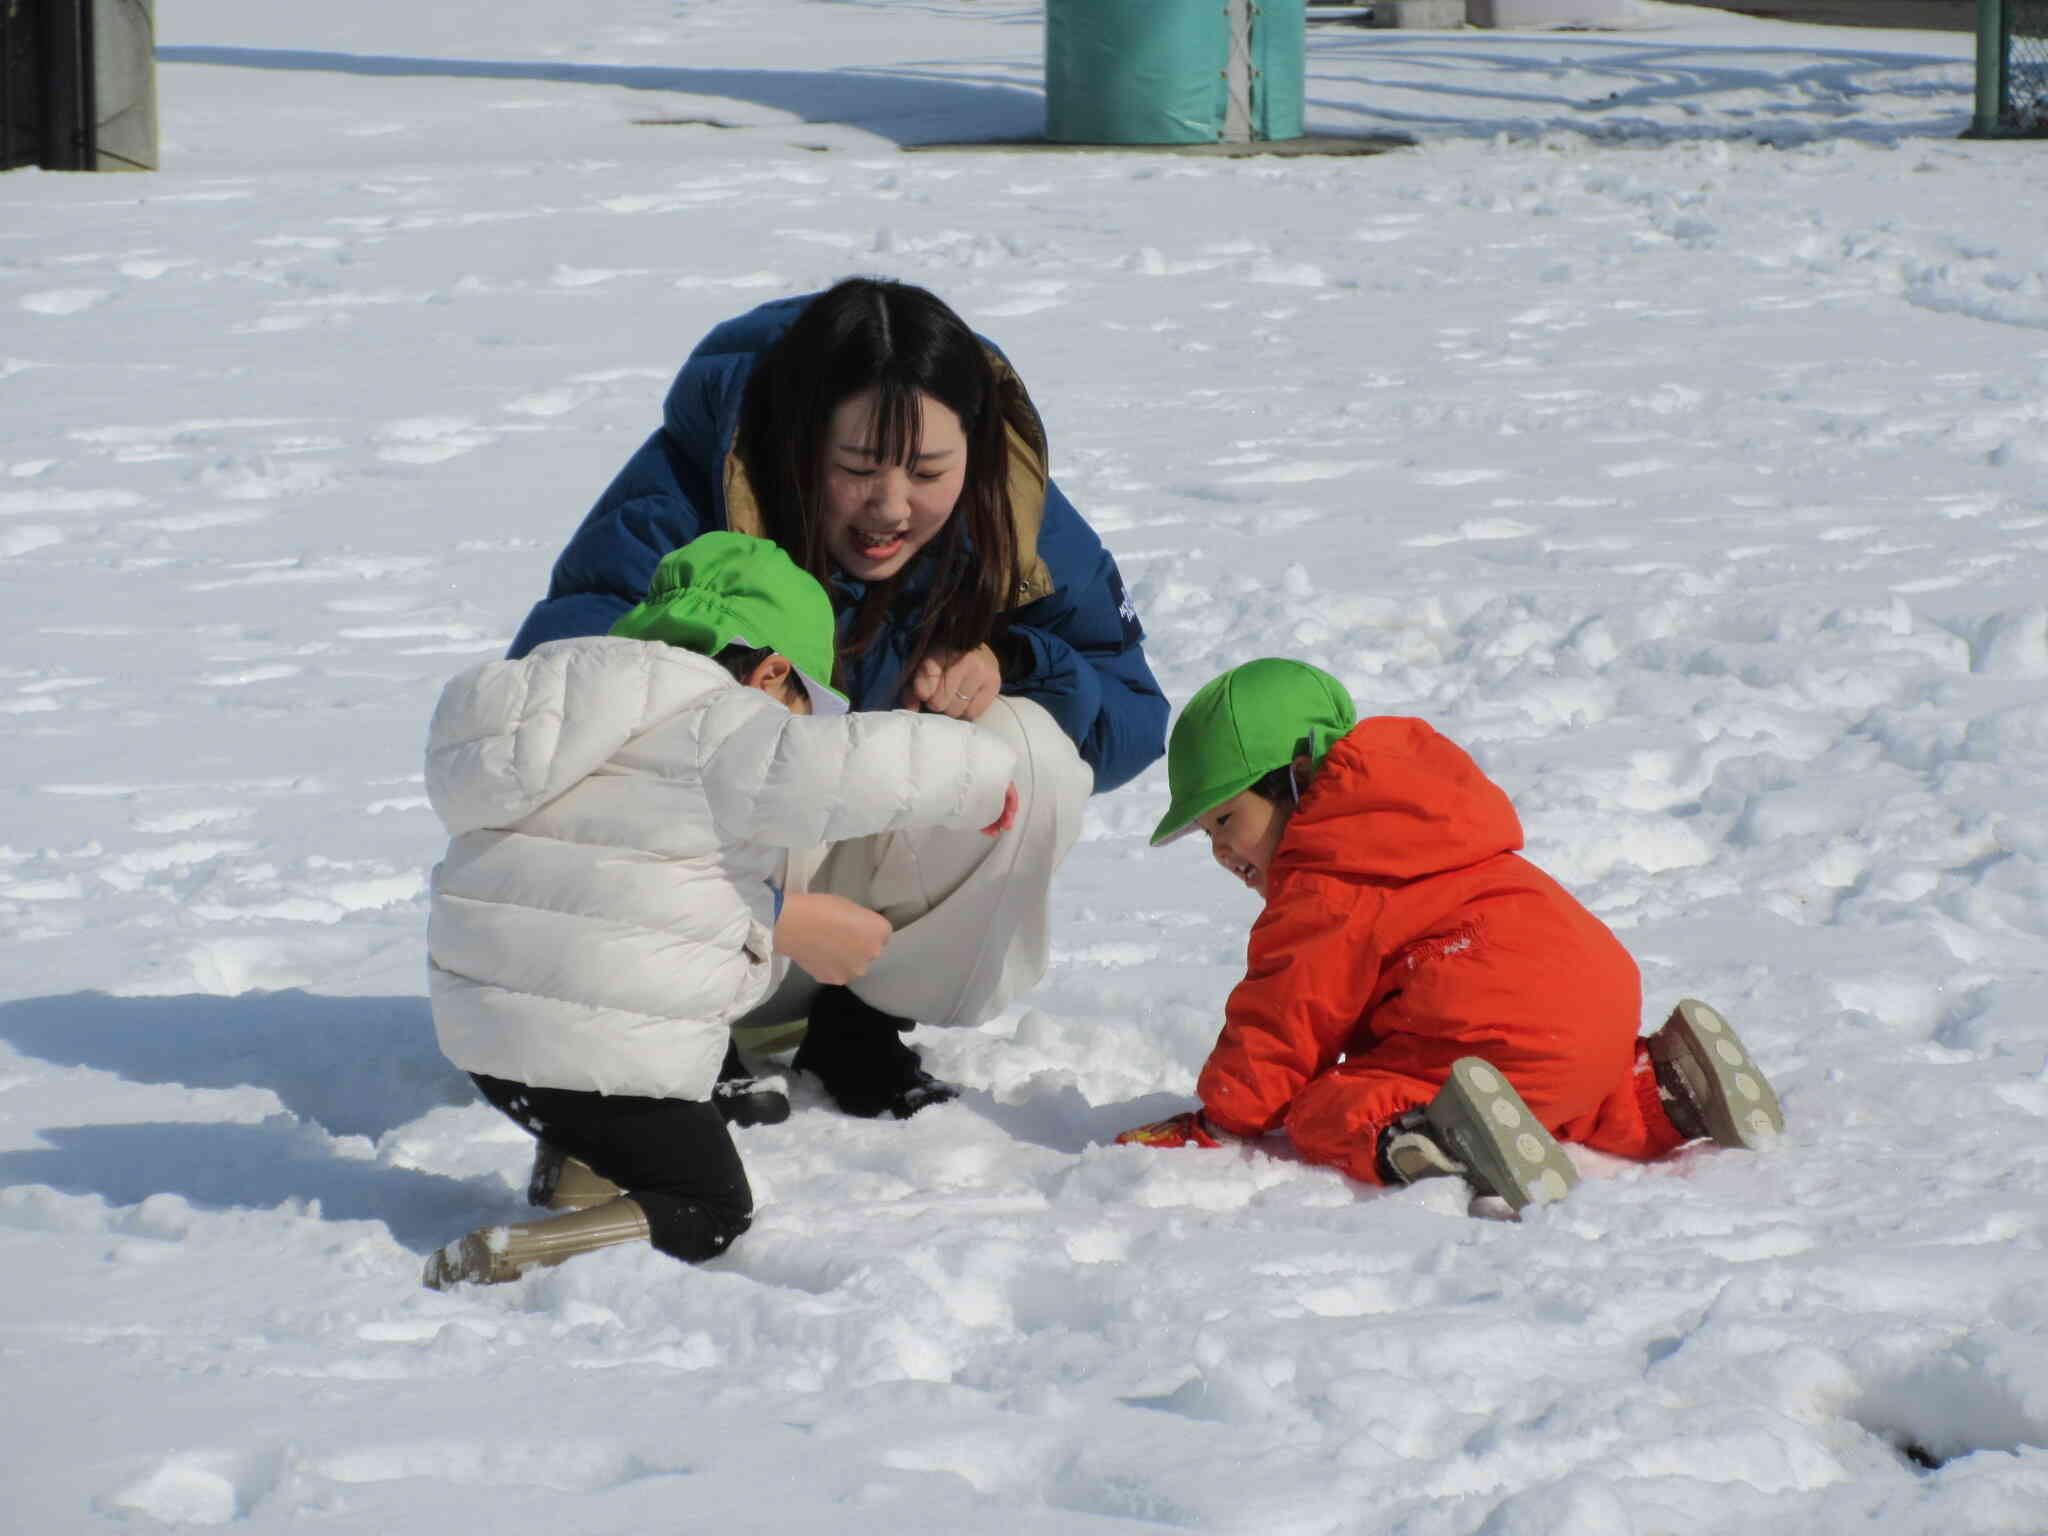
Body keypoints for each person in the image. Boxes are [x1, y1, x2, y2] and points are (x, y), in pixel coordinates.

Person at [505, 276, 1167, 1119]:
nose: (890, 509)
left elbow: (1135, 712)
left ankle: (861, 1020)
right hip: (678, 923)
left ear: (976, 443)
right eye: (855, 469)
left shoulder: (1011, 505)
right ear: (798, 441)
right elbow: (539, 722)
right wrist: (703, 682)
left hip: (846, 916)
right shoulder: (686, 493)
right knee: (719, 732)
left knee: (1030, 749)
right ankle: (682, 1029)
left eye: (929, 471)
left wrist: (1013, 657)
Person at [420, 533, 1019, 1288]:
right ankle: (513, 1259)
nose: (802, 726)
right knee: (710, 1206)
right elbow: (851, 767)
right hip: (602, 1054)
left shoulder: (553, 709)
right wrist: (982, 778)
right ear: (771, 672)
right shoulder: (721, 722)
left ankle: (572, 1172)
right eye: (805, 704)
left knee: (597, 1018)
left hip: (483, 1040)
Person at [1116, 659, 1785, 1213]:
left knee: (1328, 1104)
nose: (1221, 852)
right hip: (1596, 1009)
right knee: (1560, 1085)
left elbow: (1285, 1020)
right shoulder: (1427, 816)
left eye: (1227, 819)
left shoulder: (1324, 883)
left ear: (1298, 779)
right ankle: (1661, 1092)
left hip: (1493, 1030)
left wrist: (1221, 1119)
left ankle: (1439, 1138)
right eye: (1206, 833)